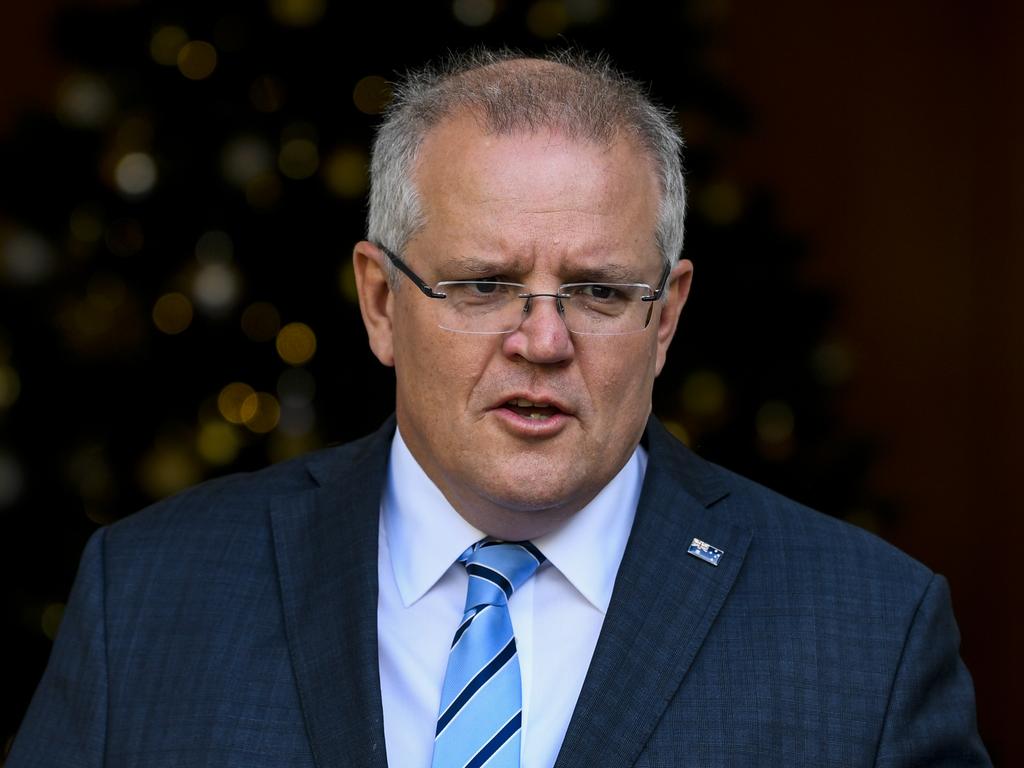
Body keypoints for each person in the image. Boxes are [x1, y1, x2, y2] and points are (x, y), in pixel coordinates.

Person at [8, 49, 989, 768]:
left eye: (600, 291)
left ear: (666, 316)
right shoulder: (148, 597)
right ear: (382, 301)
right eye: (482, 285)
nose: (542, 340)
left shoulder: (869, 635)